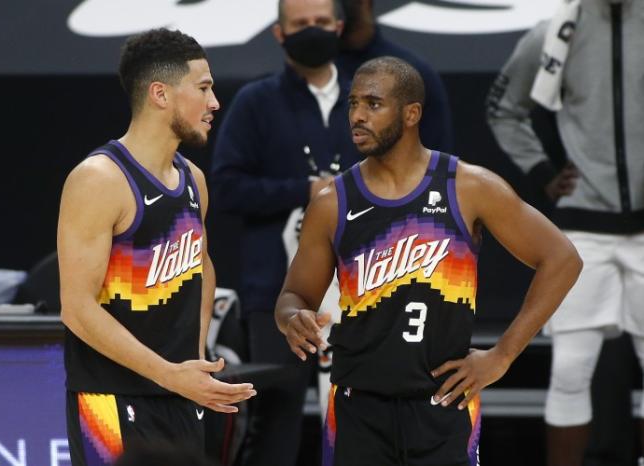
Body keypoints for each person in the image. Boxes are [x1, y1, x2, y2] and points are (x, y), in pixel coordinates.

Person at [275, 56, 582, 466]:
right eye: (353, 104)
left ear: (411, 114)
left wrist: (502, 355)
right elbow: (294, 296)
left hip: (444, 405)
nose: (358, 116)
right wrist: (293, 318)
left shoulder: (468, 186)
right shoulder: (333, 201)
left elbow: (562, 258)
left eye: (373, 103)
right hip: (357, 407)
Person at [58, 28, 256, 465]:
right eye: (203, 88)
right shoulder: (99, 179)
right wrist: (169, 374)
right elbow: (77, 308)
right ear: (160, 94)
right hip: (112, 397)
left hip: (180, 393)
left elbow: (202, 266)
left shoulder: (194, 179)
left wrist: (195, 358)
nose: (214, 103)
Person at [486, 1, 644, 464]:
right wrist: (543, 172)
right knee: (571, 370)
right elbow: (502, 108)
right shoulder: (557, 31)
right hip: (584, 228)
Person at [210, 0, 362, 464]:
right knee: (276, 418)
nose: (311, 31)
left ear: (339, 26)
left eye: (320, 22)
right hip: (277, 289)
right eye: (300, 24)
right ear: (279, 32)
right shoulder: (256, 101)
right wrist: (305, 189)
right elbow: (227, 186)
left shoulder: (366, 98)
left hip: (363, 286)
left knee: (361, 412)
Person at [336, 0, 453, 153]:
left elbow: (436, 159)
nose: (357, 116)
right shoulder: (309, 72)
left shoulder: (412, 73)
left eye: (374, 104)